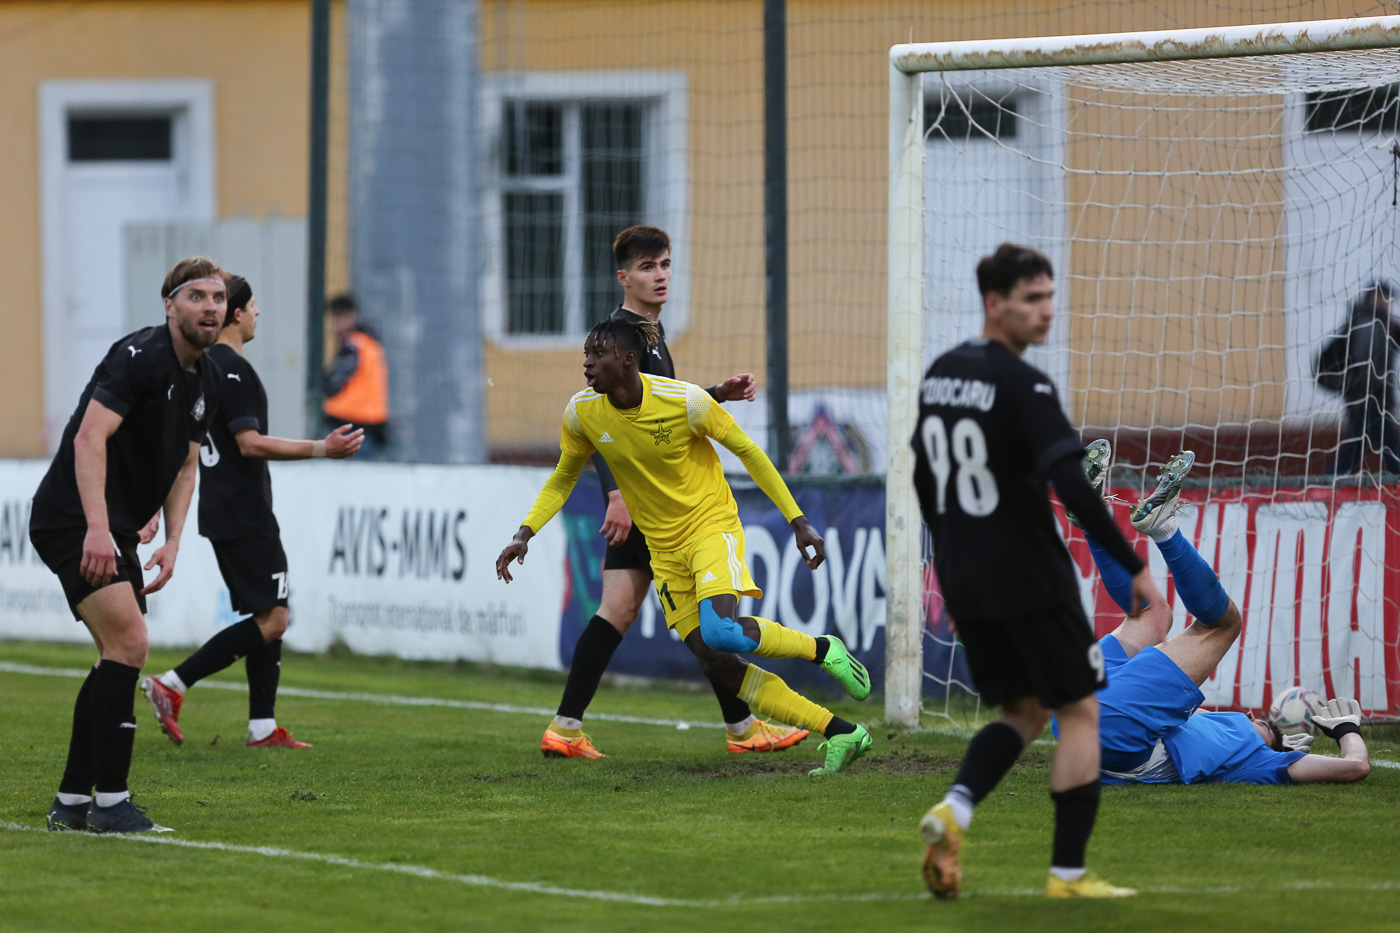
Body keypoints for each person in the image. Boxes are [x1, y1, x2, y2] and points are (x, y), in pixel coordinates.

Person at [496, 316, 874, 776]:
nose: (587, 364)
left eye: (598, 354)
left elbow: (750, 453)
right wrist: (524, 533)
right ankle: (841, 731)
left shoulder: (687, 402)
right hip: (663, 549)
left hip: (710, 528)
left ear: (628, 360)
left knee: (720, 633)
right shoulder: (581, 413)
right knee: (715, 663)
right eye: (585, 355)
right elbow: (563, 476)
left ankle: (822, 648)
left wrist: (799, 521)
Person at [913, 243, 1164, 900]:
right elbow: (1072, 482)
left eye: (1050, 296)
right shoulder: (1025, 384)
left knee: (1023, 711)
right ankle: (1068, 876)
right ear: (994, 303)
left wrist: (950, 557)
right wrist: (1133, 563)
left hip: (965, 576)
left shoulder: (941, 373)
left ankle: (955, 809)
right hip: (1029, 576)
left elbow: (923, 476)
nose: (1047, 310)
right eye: (1032, 298)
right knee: (1080, 709)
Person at [540, 225, 807, 760]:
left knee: (619, 611)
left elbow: (655, 410)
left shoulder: (651, 333)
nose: (660, 275)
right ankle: (743, 727)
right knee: (694, 621)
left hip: (653, 501)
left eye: (664, 264)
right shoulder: (621, 336)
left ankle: (566, 729)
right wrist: (615, 494)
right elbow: (604, 424)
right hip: (653, 505)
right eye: (647, 267)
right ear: (624, 277)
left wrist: (715, 394)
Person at [31, 257, 226, 834]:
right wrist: (96, 527)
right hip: (73, 516)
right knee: (131, 643)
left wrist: (173, 539)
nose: (210, 307)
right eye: (196, 296)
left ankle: (72, 802)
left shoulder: (208, 377)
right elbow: (89, 438)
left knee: (114, 656)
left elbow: (186, 464)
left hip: (112, 525)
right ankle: (112, 804)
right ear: (170, 305)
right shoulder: (139, 355)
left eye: (218, 298)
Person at [139, 275, 363, 750]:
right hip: (244, 510)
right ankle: (172, 683)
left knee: (269, 611)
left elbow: (182, 448)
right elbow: (250, 443)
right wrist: (322, 448)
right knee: (276, 618)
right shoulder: (233, 370)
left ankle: (262, 727)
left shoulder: (202, 368)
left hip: (222, 510)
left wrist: (155, 505)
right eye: (253, 305)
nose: (258, 313)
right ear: (237, 314)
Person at [1070, 442, 1371, 786]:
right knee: (1152, 615)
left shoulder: (1257, 760)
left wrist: (1346, 729)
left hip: (1108, 725)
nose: (1253, 716)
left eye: (1265, 726)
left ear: (1270, 747)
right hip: (1085, 716)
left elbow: (1355, 767)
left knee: (1224, 625)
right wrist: (1326, 733)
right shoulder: (1206, 727)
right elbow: (1174, 709)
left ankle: (1164, 528)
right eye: (1260, 721)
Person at [1330, 281, 1400, 476]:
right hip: (1367, 398)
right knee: (1387, 445)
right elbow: (1364, 362)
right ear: (1372, 298)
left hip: (1372, 397)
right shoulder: (1367, 322)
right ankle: (1329, 478)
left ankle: (1330, 477)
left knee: (1359, 447)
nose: (1387, 302)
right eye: (1383, 297)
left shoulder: (1381, 322)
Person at [323, 292, 390, 455]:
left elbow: (334, 384)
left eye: (339, 317)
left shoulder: (353, 346)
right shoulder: (369, 343)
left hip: (349, 423)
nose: (335, 323)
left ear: (351, 317)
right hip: (368, 423)